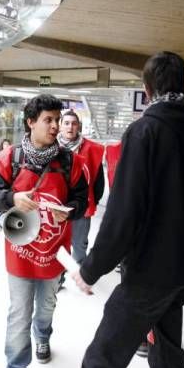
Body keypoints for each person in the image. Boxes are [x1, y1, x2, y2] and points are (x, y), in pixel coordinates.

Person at [72, 51, 184, 368]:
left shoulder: (145, 132)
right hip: (183, 269)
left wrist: (91, 268)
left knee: (102, 359)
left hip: (148, 274)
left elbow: (124, 212)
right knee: (167, 353)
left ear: (147, 89)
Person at [0, 94, 88, 368]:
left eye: (57, 120)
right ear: (31, 122)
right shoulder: (11, 158)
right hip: (20, 253)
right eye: (48, 120)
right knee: (19, 313)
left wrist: (69, 212)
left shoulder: (70, 162)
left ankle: (42, 333)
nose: (55, 126)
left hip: (54, 254)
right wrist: (12, 197)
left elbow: (82, 198)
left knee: (46, 306)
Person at [58, 110, 105, 266]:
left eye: (74, 123)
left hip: (81, 206)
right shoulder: (51, 146)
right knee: (56, 243)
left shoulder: (90, 149)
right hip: (55, 205)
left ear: (79, 126)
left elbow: (99, 181)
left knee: (79, 244)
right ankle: (59, 276)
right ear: (60, 126)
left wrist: (92, 200)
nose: (70, 127)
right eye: (66, 123)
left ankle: (80, 270)